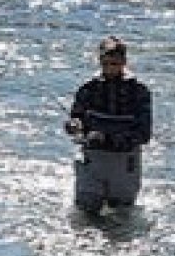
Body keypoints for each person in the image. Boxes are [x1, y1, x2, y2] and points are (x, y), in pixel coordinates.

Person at [65, 36, 153, 215]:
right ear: (99, 62)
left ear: (124, 62)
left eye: (115, 63)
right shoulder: (87, 89)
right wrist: (74, 125)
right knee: (85, 211)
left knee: (122, 215)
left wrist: (109, 138)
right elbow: (77, 116)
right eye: (105, 63)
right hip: (92, 159)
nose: (110, 68)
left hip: (124, 162)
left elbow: (143, 134)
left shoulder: (139, 92)